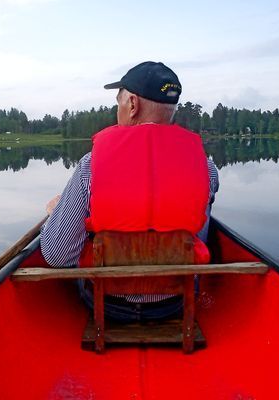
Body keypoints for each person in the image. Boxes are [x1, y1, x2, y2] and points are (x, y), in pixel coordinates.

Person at [40, 61, 219, 321]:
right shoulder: (206, 167)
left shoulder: (91, 165)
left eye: (118, 102)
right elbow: (197, 231)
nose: (118, 110)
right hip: (175, 304)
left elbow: (57, 256)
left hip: (108, 305)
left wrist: (56, 214)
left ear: (132, 104)